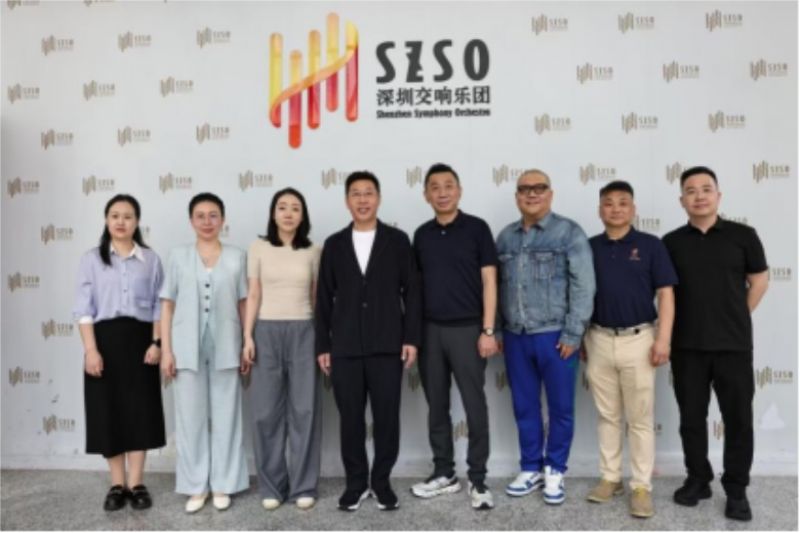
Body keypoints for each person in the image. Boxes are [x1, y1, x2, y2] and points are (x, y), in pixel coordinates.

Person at [663, 166, 768, 521]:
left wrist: (736, 314)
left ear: (718, 196)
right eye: (691, 191)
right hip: (687, 347)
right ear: (682, 200)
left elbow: (760, 280)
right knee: (692, 419)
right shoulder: (671, 242)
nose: (699, 196)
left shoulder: (743, 235)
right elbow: (666, 294)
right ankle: (698, 478)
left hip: (733, 347)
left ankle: (736, 489)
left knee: (738, 420)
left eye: (706, 189)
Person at [315, 171, 421, 512]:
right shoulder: (334, 244)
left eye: (369, 193)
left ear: (379, 198)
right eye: (356, 193)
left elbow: (412, 292)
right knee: (350, 420)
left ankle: (381, 482)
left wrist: (411, 338)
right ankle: (356, 483)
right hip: (345, 347)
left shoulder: (398, 240)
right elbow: (323, 298)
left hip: (388, 345)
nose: (363, 199)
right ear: (347, 201)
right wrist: (323, 345)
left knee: (387, 417)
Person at [496, 169, 595, 505]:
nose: (532, 194)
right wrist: (498, 329)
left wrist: (573, 332)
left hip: (556, 337)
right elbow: (496, 287)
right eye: (524, 189)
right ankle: (530, 468)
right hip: (516, 336)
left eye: (539, 188)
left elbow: (584, 286)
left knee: (561, 407)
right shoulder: (505, 238)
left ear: (550, 194)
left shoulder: (569, 233)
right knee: (524, 406)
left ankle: (555, 468)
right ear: (516, 197)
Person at [582, 181, 677, 518]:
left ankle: (640, 486)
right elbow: (580, 295)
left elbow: (666, 295)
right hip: (597, 338)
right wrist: (580, 337)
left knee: (639, 419)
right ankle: (610, 478)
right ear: (600, 210)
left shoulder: (651, 245)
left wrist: (663, 339)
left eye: (623, 203)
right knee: (607, 415)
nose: (616, 209)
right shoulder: (588, 247)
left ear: (633, 209)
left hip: (640, 339)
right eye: (608, 203)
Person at [410, 163, 498, 510]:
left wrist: (488, 330)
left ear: (459, 191)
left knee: (475, 405)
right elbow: (415, 289)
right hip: (430, 331)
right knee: (436, 405)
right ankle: (444, 472)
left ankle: (478, 479)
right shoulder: (421, 234)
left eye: (449, 186)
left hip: (468, 330)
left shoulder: (477, 228)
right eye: (435, 187)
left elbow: (490, 281)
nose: (442, 192)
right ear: (426, 195)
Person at [74, 194, 166, 511]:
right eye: (114, 215)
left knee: (141, 412)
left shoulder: (151, 260)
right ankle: (117, 484)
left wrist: (157, 343)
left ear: (137, 221)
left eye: (127, 216)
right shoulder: (91, 259)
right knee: (107, 411)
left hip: (141, 342)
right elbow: (83, 310)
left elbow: (159, 306)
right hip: (104, 342)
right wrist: (90, 350)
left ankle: (136, 483)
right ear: (106, 219)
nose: (121, 221)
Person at [160, 193, 250, 513]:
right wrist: (167, 350)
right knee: (190, 418)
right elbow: (167, 305)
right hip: (186, 346)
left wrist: (247, 341)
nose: (207, 221)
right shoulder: (177, 256)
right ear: (191, 221)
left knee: (227, 416)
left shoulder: (238, 256)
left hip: (227, 343)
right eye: (200, 215)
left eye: (214, 215)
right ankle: (195, 486)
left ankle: (223, 483)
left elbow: (244, 303)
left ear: (223, 220)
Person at [242, 188, 322, 511]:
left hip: (304, 331)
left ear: (303, 216)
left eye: (295, 208)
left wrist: (322, 339)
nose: (288, 213)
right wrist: (248, 336)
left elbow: (316, 298)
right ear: (273, 213)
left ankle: (304, 486)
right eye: (282, 207)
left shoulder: (313, 250)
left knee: (305, 410)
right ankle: (272, 487)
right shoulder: (258, 248)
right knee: (265, 413)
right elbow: (253, 294)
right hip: (266, 331)